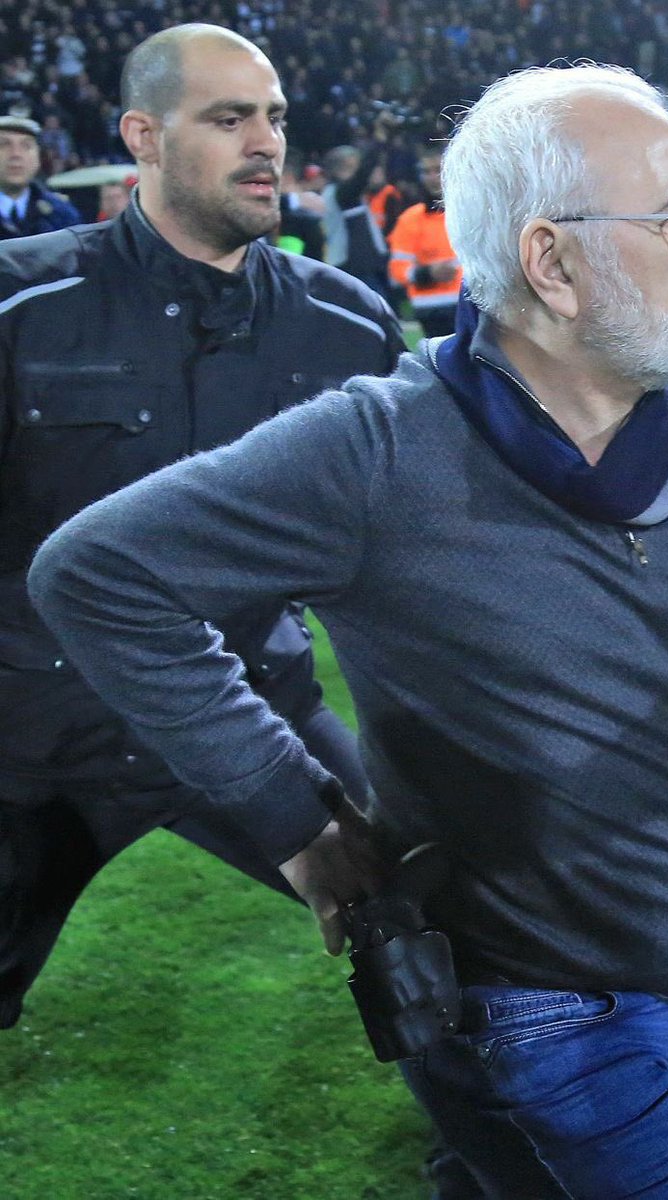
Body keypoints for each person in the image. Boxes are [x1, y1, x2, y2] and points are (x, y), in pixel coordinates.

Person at [28, 65, 668, 1199]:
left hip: (661, 984)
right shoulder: (378, 448)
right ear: (552, 263)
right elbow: (98, 574)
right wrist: (294, 817)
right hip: (529, 1021)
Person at [0, 23, 405, 1032]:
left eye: (271, 115)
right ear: (144, 136)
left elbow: (398, 557)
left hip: (252, 716)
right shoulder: (20, 302)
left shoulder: (348, 327)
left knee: (451, 932)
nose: (266, 140)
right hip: (31, 735)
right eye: (228, 118)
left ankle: (487, 1157)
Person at [388, 144, 462, 337]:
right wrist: (428, 273)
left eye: (437, 170)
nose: (432, 177)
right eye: (426, 171)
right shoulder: (409, 219)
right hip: (431, 309)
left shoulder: (470, 212)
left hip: (473, 302)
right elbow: (398, 270)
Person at [0, 115, 81, 240]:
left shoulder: (61, 214)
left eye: (26, 146)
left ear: (38, 158)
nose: (16, 154)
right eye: (4, 145)